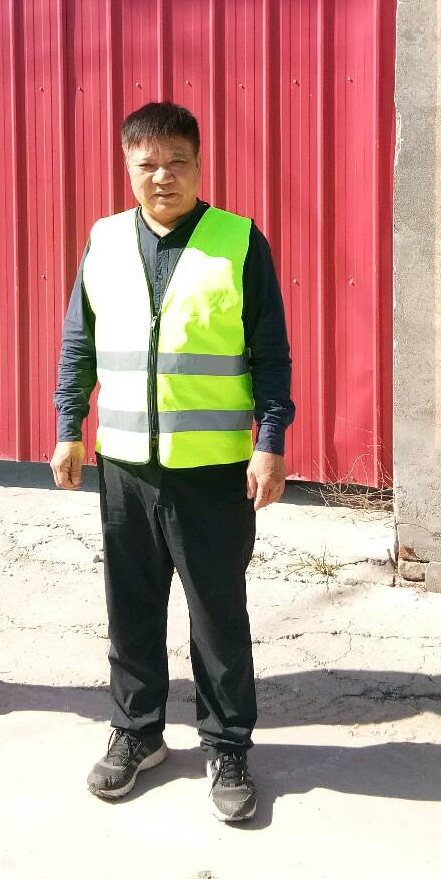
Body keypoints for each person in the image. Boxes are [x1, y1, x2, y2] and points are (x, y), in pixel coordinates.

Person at [51, 101, 294, 823]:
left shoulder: (238, 241)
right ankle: (138, 732)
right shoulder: (104, 241)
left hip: (212, 469)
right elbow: (79, 342)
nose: (163, 176)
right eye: (147, 164)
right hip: (125, 464)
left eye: (176, 162)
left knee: (217, 613)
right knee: (130, 607)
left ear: (199, 164)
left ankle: (227, 745)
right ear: (128, 168)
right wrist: (69, 427)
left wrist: (270, 441)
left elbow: (270, 353)